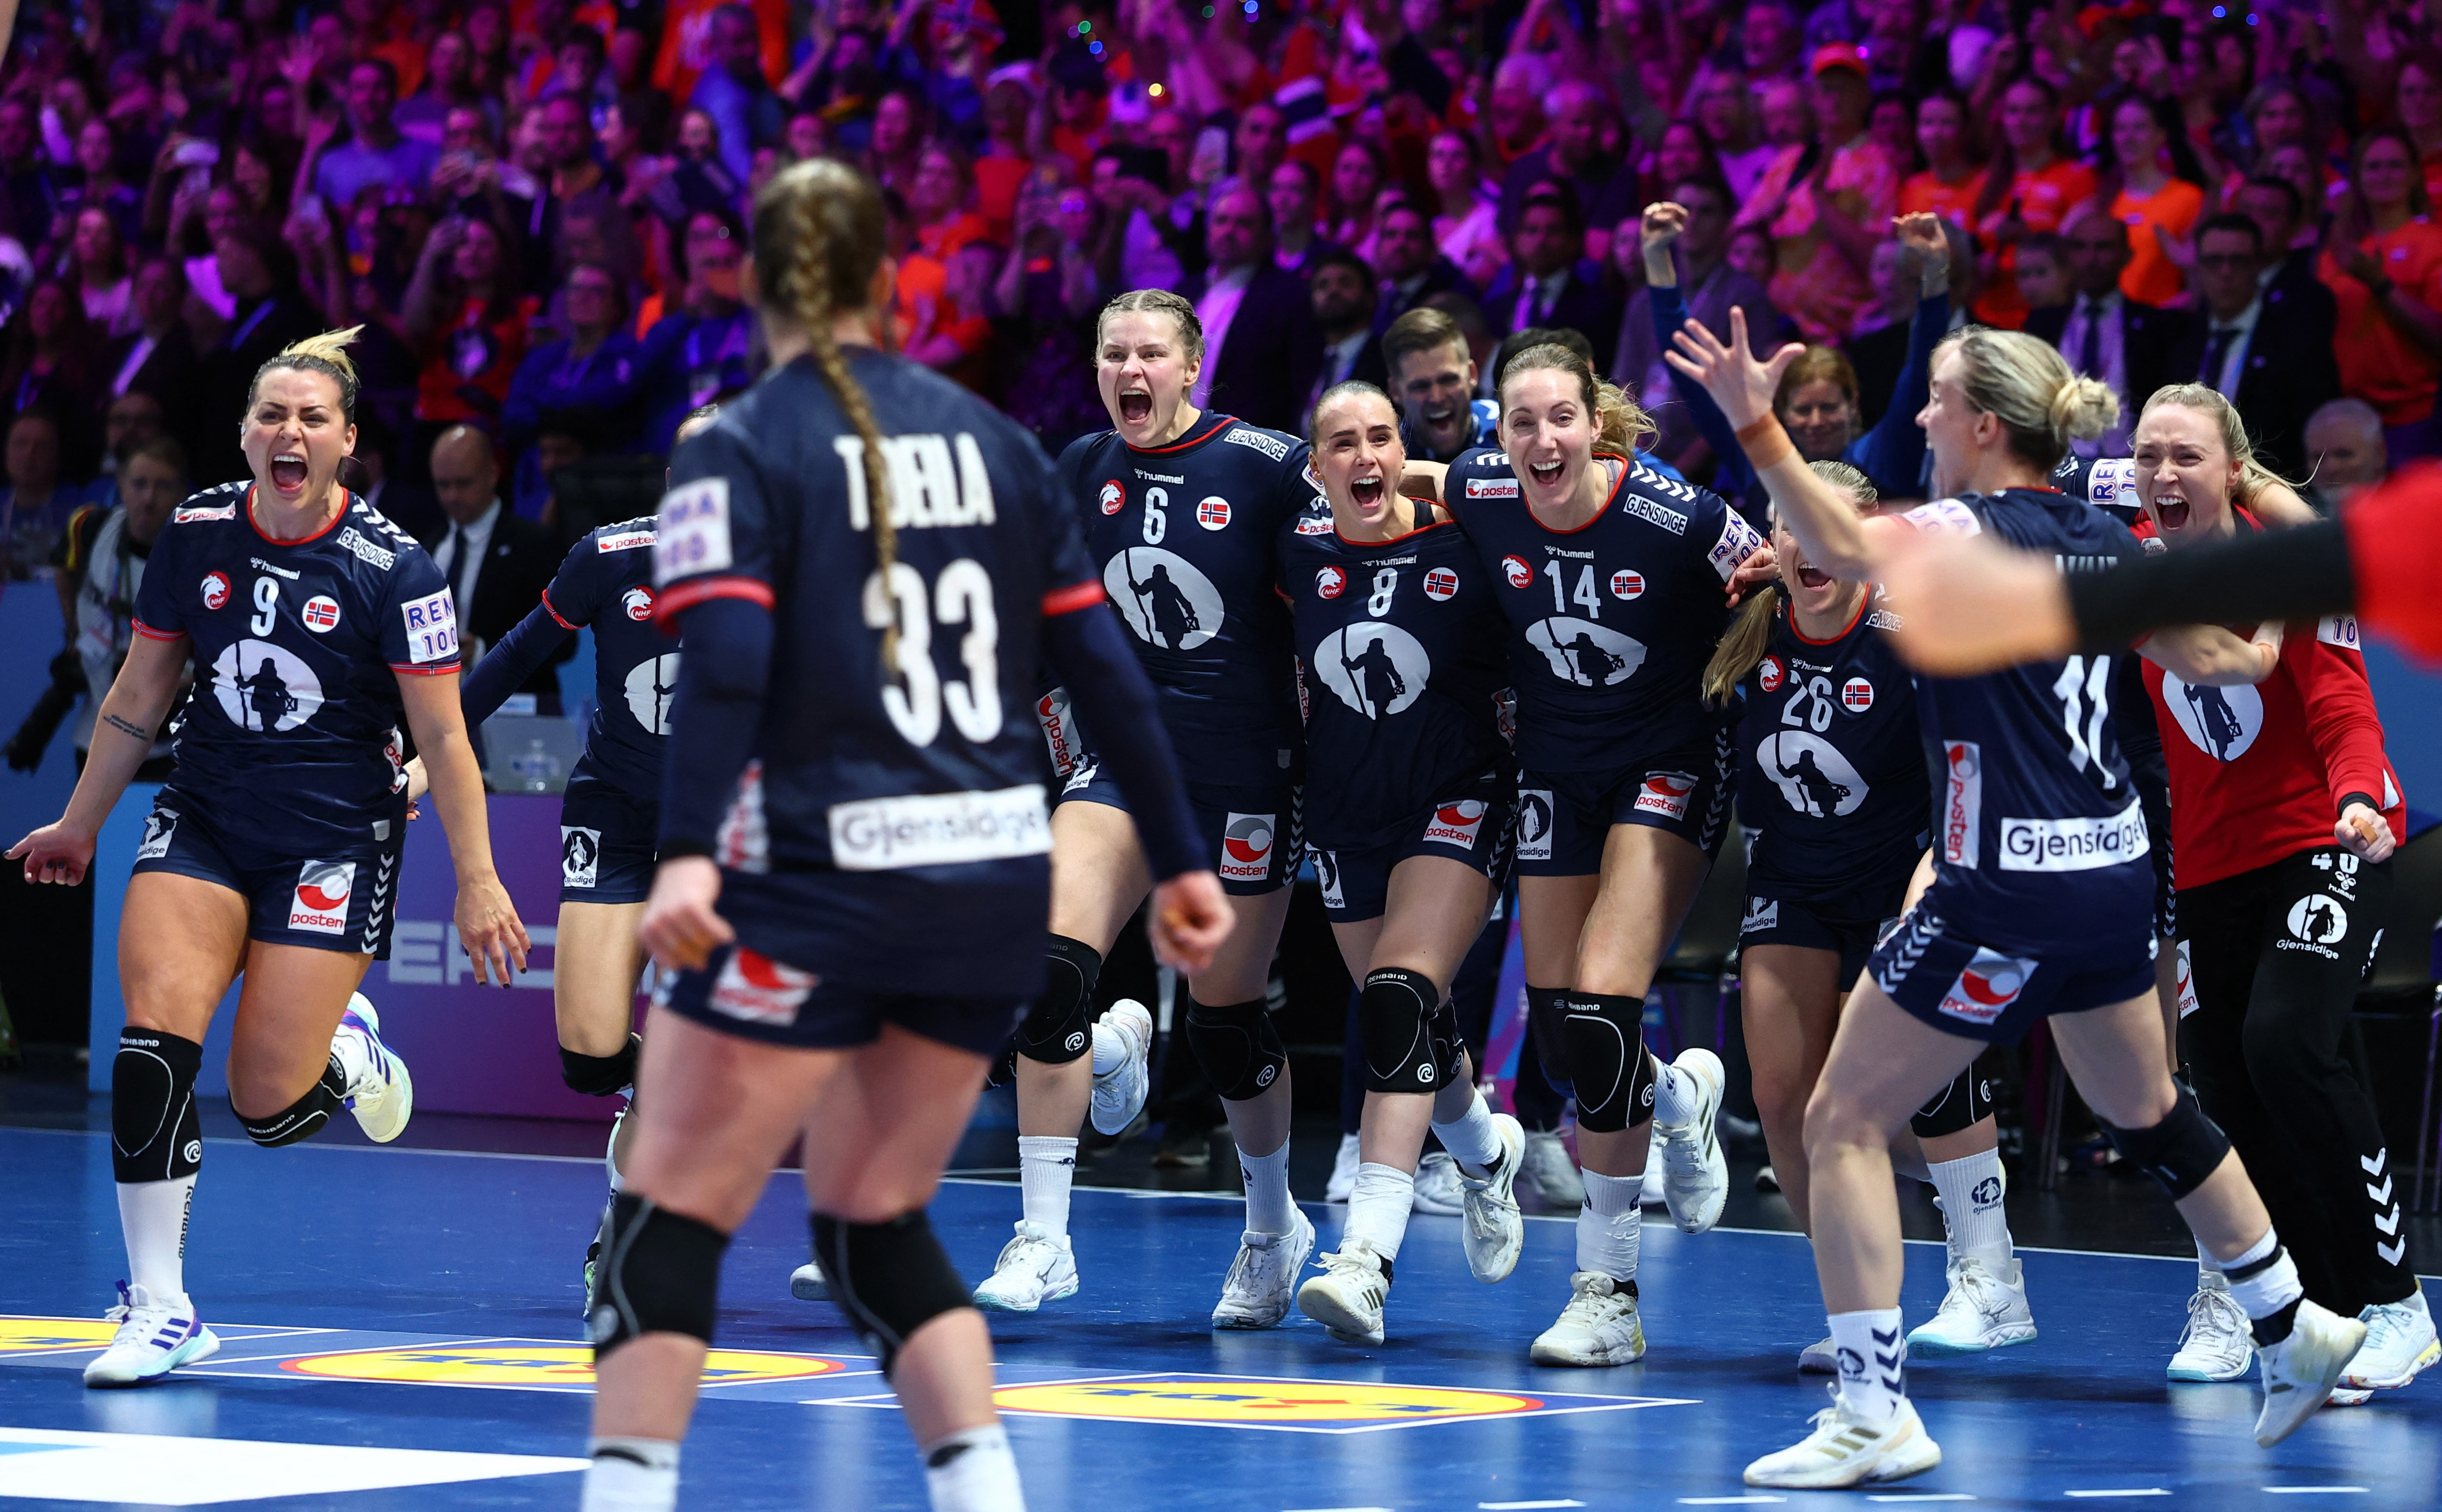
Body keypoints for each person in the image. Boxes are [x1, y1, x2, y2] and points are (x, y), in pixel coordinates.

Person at [580, 159, 1225, 1512]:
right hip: (988, 881)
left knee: (668, 1200)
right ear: (891, 286)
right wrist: (1176, 855)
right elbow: (1103, 668)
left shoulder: (737, 441)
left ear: (750, 285)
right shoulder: (1001, 443)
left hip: (818, 871)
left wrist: (690, 849)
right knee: (874, 1219)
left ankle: (625, 1491)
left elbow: (728, 663)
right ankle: (982, 1489)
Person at [1666, 313, 2370, 1486]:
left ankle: (1872, 1408)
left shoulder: (1957, 526)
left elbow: (1838, 534)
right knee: (2144, 1103)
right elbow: (2238, 661)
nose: (1926, 417)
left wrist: (1754, 421)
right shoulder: (2109, 536)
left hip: (2005, 882)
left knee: (1839, 1120)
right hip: (2115, 873)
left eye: (1938, 399)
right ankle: (2293, 1324)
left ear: (1986, 426)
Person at [7, 328, 528, 1389]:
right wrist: (76, 821)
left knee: (268, 1107)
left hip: (332, 840)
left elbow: (443, 740)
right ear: (247, 433)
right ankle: (159, 1306)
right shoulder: (196, 532)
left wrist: (478, 879)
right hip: (203, 816)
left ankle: (344, 1051)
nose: (288, 432)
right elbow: (138, 698)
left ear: (345, 443)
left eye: (311, 418)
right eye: (270, 414)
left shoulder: (396, 567)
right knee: (152, 1047)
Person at [990, 287, 1322, 1327]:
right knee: (1045, 971)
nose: (1129, 372)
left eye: (1149, 356)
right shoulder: (1080, 469)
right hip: (1123, 767)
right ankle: (1044, 1236)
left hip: (1246, 776)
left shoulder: (1266, 465)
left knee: (1226, 1023)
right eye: (1111, 354)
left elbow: (1364, 543)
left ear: (1190, 368)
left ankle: (1272, 1227)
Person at [1434, 341, 1751, 1366]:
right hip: (1555, 772)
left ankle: (1605, 1290)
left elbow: (1772, 576)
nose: (1540, 440)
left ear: (1594, 422)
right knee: (1571, 1035)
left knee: (1606, 1002)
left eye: (1558, 418)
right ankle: (1679, 1094)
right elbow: (1412, 479)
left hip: (1666, 764)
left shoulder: (1674, 512)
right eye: (1519, 421)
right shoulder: (1479, 485)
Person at [2120, 385, 2436, 1399]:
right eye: (2148, 458)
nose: (2164, 476)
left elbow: (2343, 702)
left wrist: (2353, 797)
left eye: (2186, 458)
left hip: (2324, 835)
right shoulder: (2124, 557)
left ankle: (2395, 1303)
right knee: (2224, 1086)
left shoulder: (2290, 561)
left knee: (2284, 1042)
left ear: (2231, 470)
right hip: (2209, 862)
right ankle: (2317, 1314)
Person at [1703, 458, 2034, 1371]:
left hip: (1908, 873)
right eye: (1789, 528)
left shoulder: (1906, 631)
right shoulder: (1745, 624)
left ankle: (1988, 1273)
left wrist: (1937, 883)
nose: (1809, 549)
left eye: (1829, 531)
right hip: (1793, 879)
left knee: (1899, 1079)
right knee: (1781, 1098)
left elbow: (1973, 761)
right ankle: (1858, 1309)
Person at [1276, 380, 1527, 1345]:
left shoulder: (1467, 537)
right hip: (1347, 814)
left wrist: (1436, 474)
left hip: (1458, 795)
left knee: (1395, 994)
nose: (1366, 456)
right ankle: (1481, 1149)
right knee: (1412, 1026)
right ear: (1315, 468)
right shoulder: (1295, 551)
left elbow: (1555, 488)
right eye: (1342, 443)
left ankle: (1364, 1262)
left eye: (1381, 437)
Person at [1655, 206, 1946, 504]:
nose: (1817, 422)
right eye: (1803, 410)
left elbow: (1921, 368)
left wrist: (1935, 273)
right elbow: (1685, 372)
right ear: (1783, 411)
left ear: (1853, 403)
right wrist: (1657, 259)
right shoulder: (1760, 464)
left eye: (1830, 407)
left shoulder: (1881, 456)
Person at [2162, 214, 2339, 480]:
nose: (2225, 273)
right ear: (2198, 267)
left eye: (2238, 261)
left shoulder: (2295, 341)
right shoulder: (2176, 338)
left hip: (2270, 487)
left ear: (2258, 266)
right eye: (2214, 261)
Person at [55, 437, 186, 775]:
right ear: (122, 486)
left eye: (163, 486)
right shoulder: (89, 527)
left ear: (183, 492)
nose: (149, 498)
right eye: (139, 484)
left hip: (169, 741)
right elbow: (62, 566)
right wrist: (72, 626)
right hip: (95, 732)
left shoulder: (198, 557)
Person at [421, 426, 569, 694]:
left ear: (491, 474)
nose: (452, 496)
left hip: (515, 709)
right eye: (443, 485)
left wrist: (482, 651)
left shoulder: (535, 545)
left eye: (464, 483)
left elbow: (562, 645)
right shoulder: (426, 547)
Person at [2028, 209, 2182, 460]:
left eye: (2104, 247)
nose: (2091, 258)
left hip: (2130, 465)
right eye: (2081, 247)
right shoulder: (2044, 323)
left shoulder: (2157, 326)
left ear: (2127, 256)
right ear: (2070, 256)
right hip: (2056, 465)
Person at [2304, 399, 2389, 512]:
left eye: (2343, 455)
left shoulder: (2410, 512)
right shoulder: (2296, 522)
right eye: (2318, 458)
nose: (2331, 468)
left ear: (2379, 454)